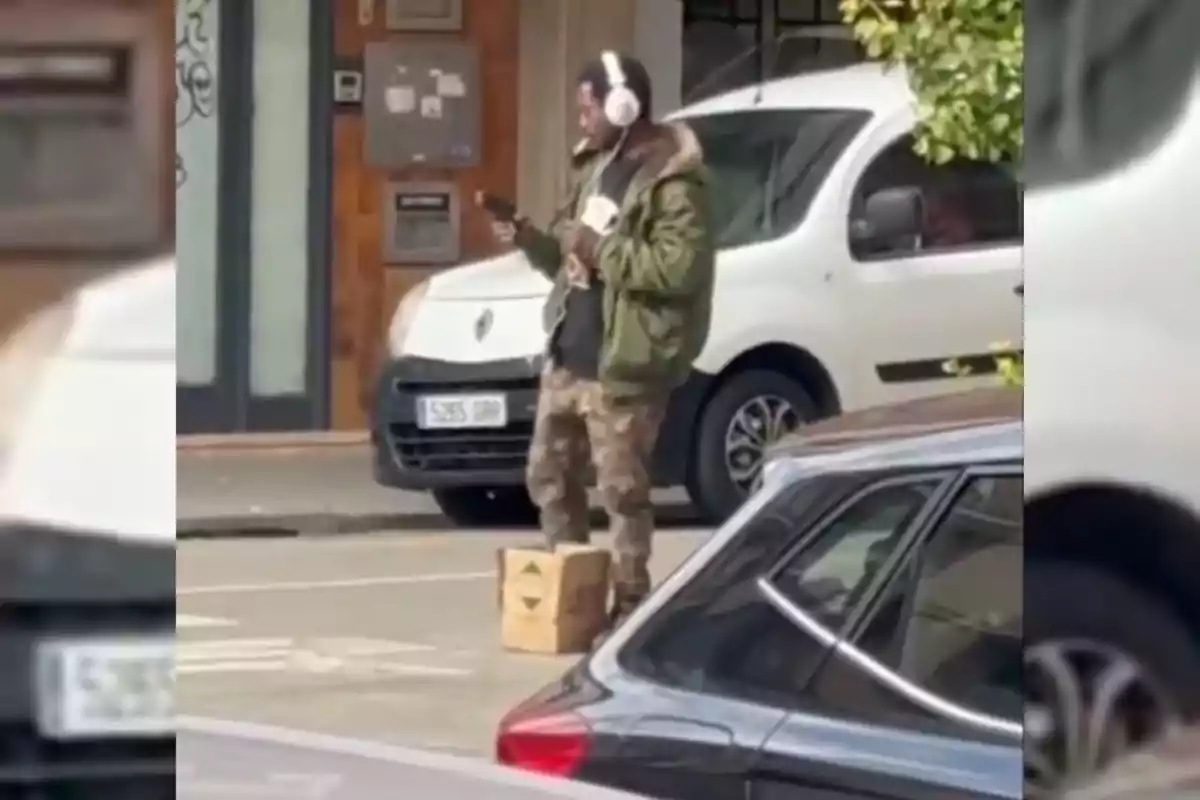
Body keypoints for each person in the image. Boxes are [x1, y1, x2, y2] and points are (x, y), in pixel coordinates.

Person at [491, 51, 714, 630]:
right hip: (570, 354)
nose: (582, 120)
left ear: (623, 105)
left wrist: (603, 251)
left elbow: (679, 269)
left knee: (622, 492)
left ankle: (631, 606)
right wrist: (528, 238)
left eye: (589, 108)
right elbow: (571, 255)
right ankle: (574, 594)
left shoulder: (673, 183)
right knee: (548, 474)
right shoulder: (596, 166)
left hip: (624, 365)